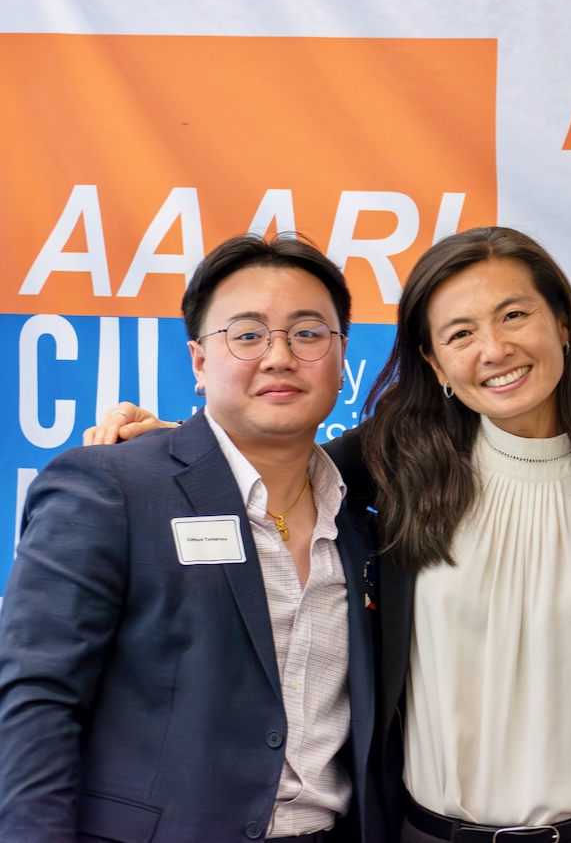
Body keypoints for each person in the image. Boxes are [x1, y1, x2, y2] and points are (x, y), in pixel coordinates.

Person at [85, 226, 571, 843]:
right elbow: (269, 468)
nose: (494, 349)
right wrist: (172, 445)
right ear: (434, 362)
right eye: (460, 333)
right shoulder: (399, 458)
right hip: (425, 834)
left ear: (562, 323)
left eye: (514, 315)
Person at [0, 235, 382, 842]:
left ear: (341, 358)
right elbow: (35, 698)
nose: (280, 356)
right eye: (248, 334)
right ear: (201, 363)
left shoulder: (362, 525)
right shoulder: (113, 486)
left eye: (308, 334)